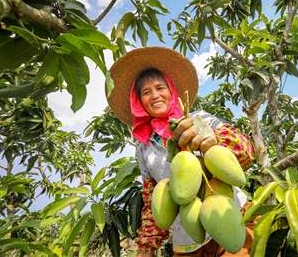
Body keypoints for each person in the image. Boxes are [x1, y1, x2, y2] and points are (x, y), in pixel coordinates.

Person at [107, 46, 256, 257]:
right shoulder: (144, 148)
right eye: (146, 92)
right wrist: (146, 248)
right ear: (139, 102)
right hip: (188, 241)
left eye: (160, 88)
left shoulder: (200, 120)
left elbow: (246, 149)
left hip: (231, 219)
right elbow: (152, 201)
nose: (155, 95)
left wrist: (213, 139)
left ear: (171, 92)